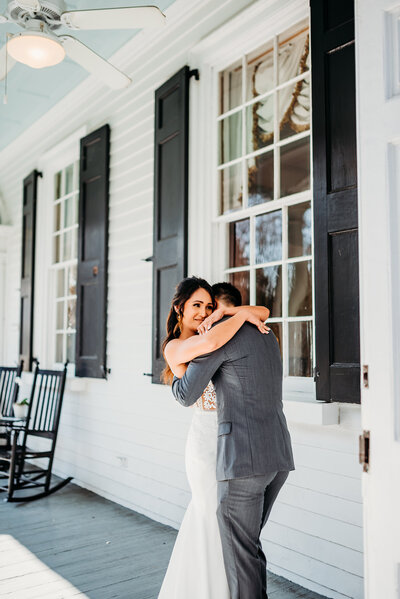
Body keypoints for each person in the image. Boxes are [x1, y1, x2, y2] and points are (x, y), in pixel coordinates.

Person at [172, 283, 295, 599]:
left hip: (241, 460)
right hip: (277, 455)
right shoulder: (265, 334)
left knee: (241, 556)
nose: (206, 316)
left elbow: (186, 393)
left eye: (210, 308)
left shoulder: (217, 339)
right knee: (249, 545)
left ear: (222, 312)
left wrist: (175, 376)